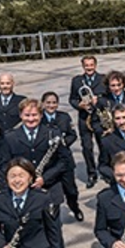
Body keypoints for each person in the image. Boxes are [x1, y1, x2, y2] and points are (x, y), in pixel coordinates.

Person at [40, 92, 84, 222]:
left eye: (54, 103)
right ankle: (52, 215)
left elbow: (72, 134)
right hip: (48, 163)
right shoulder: (38, 118)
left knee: (71, 190)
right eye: (48, 103)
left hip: (64, 160)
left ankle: (74, 207)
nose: (51, 105)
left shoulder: (64, 117)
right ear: (42, 103)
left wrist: (64, 143)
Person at [69, 56, 108, 188]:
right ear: (83, 66)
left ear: (95, 65)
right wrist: (79, 105)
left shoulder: (103, 79)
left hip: (99, 117)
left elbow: (108, 98)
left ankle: (104, 169)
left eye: (91, 65)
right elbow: (72, 99)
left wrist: (99, 101)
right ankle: (91, 173)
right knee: (87, 147)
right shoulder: (77, 81)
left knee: (103, 145)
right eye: (86, 65)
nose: (89, 68)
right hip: (84, 118)